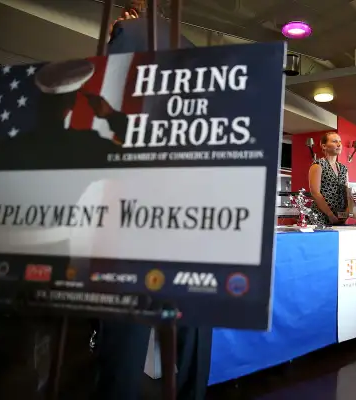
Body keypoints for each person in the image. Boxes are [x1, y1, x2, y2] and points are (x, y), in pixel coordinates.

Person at [94, 3, 212, 400]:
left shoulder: (128, 34)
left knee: (128, 315)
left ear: (128, 12)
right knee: (194, 314)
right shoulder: (197, 49)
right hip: (196, 201)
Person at [308, 132, 350, 225]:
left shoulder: (343, 168)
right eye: (334, 141)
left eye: (340, 141)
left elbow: (347, 192)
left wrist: (347, 212)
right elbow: (315, 193)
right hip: (321, 216)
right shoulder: (318, 165)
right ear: (324, 146)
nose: (339, 144)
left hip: (340, 217)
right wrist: (330, 214)